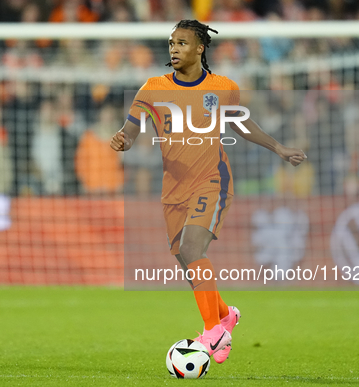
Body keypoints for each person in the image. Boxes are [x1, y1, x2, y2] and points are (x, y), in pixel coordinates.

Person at [109, 20, 307, 363]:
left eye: (182, 43)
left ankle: (215, 334)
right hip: (173, 188)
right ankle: (226, 315)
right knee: (187, 261)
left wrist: (279, 148)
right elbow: (132, 128)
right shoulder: (152, 88)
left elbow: (241, 123)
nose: (173, 49)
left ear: (200, 48)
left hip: (212, 180)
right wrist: (123, 139)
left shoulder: (223, 87)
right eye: (171, 43)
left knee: (191, 248)